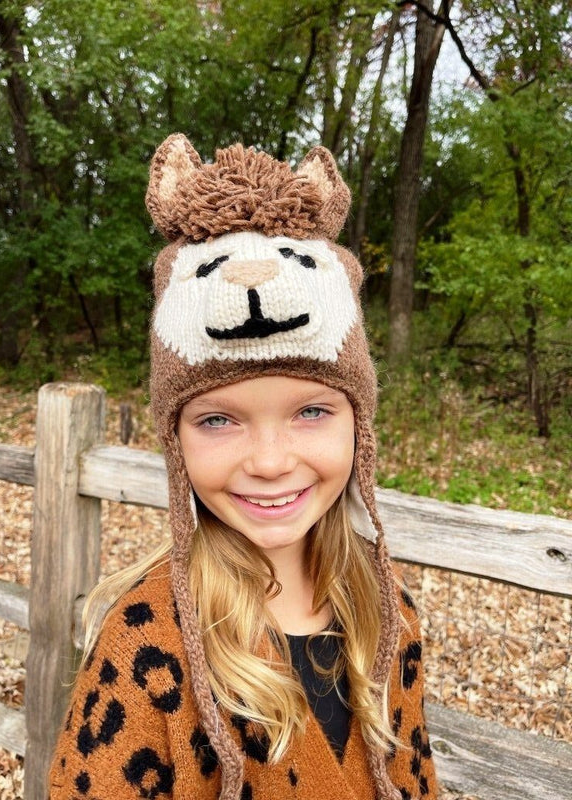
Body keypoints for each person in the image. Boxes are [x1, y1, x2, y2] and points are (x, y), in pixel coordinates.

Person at [48, 135, 437, 800]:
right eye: (218, 420)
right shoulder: (145, 644)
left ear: (359, 427)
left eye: (311, 411)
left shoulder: (386, 611)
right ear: (174, 439)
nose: (269, 462)